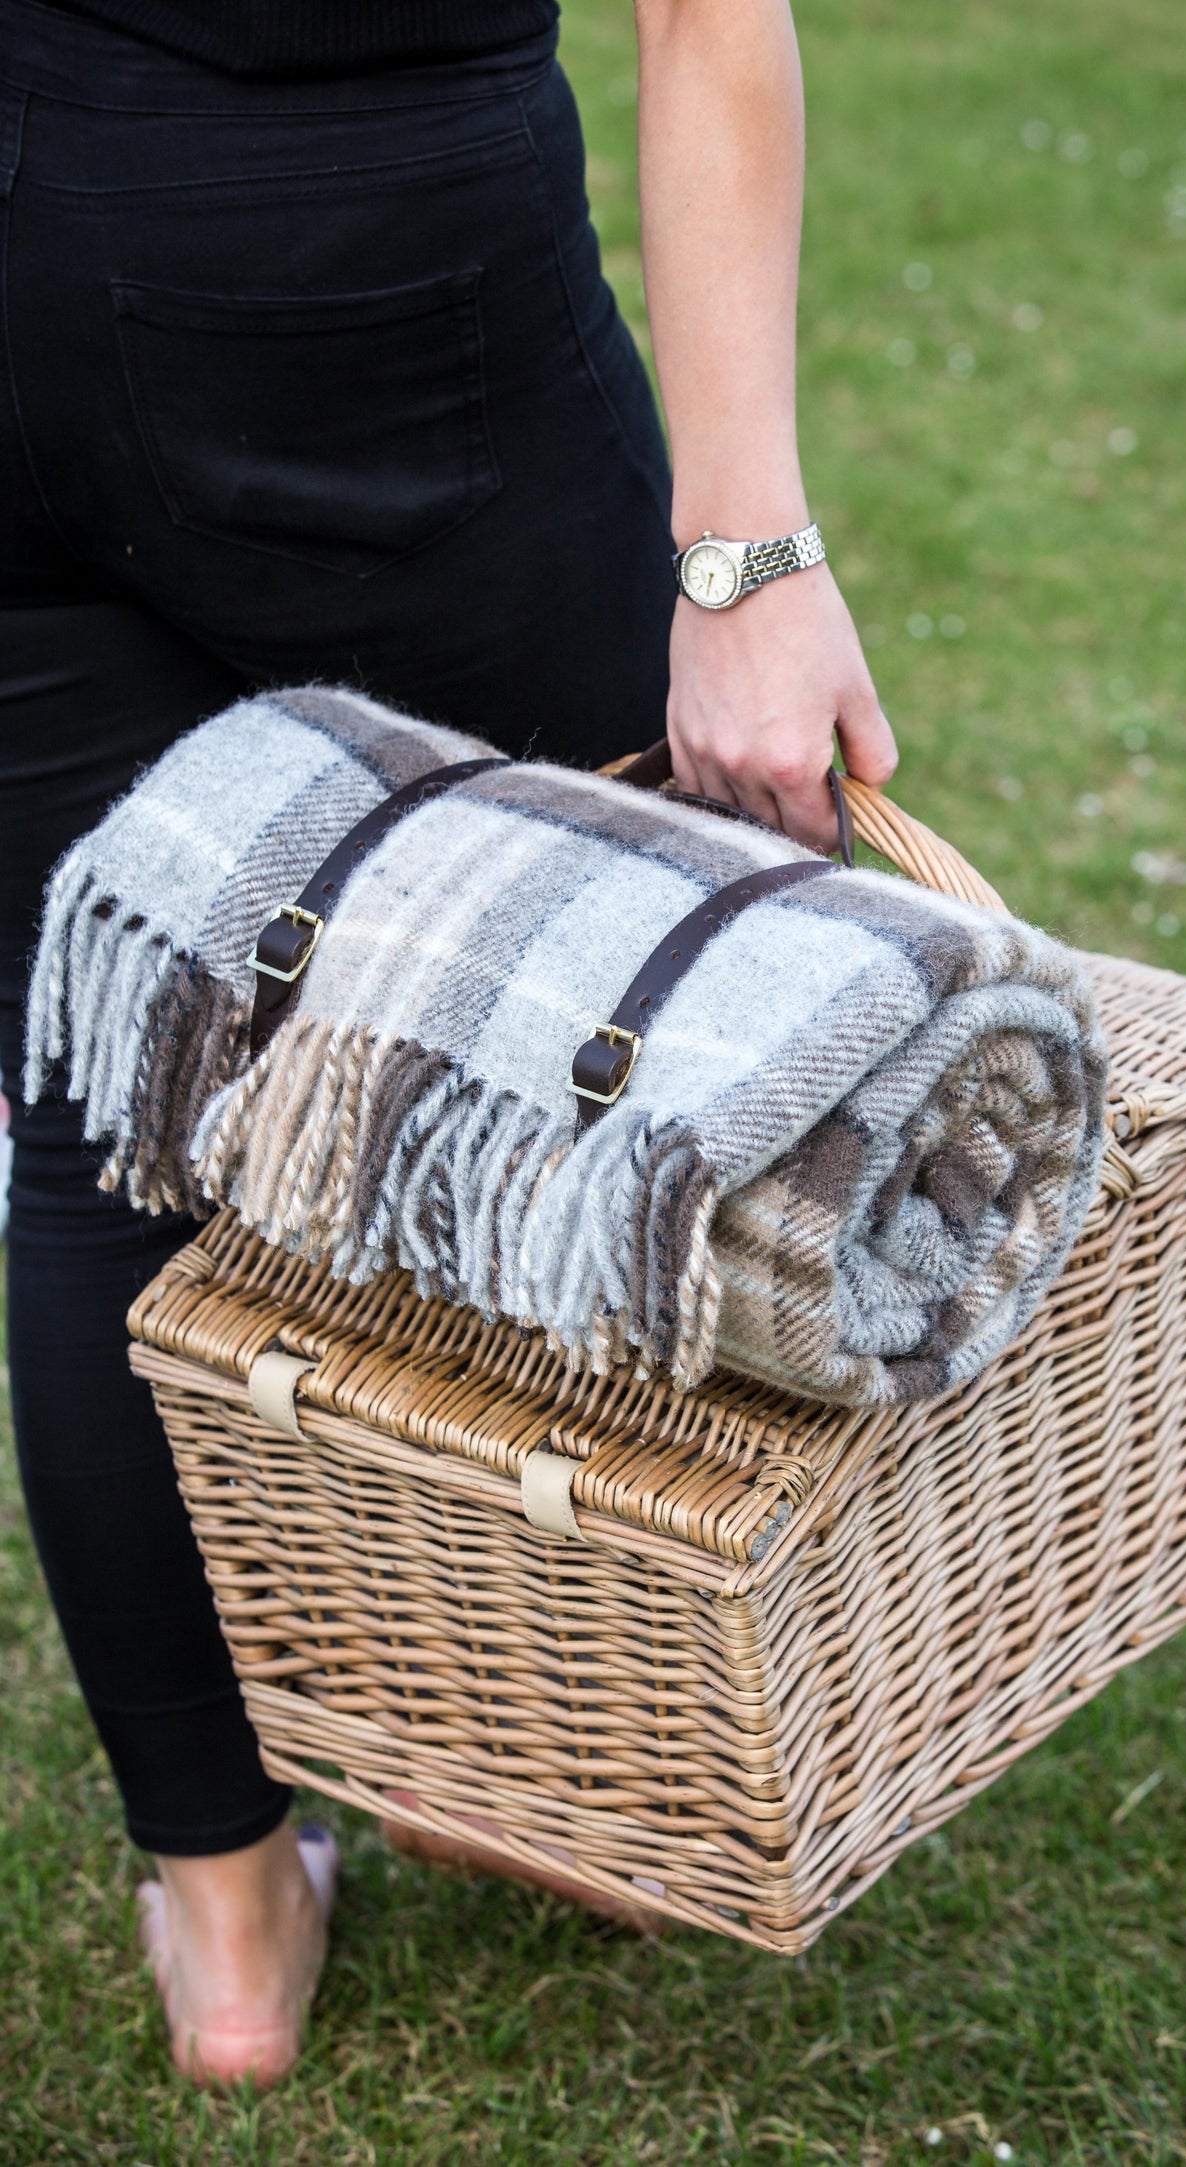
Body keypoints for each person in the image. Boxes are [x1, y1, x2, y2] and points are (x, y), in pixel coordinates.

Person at [0, 0, 896, 2092]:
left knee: (95, 1110)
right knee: (591, 1039)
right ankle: (508, 1768)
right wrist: (746, 552)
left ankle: (228, 1915)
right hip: (373, 272)